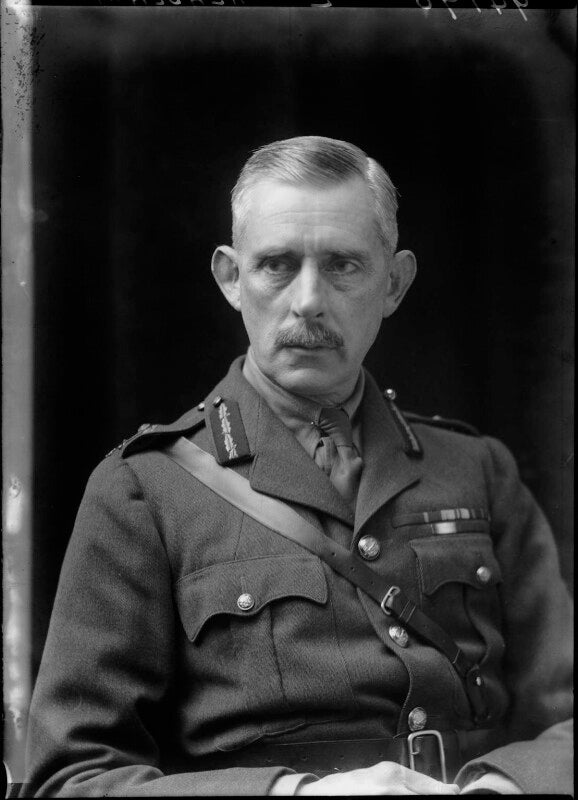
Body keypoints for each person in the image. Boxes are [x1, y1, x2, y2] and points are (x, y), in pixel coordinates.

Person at [23, 136, 572, 796]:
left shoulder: (477, 471)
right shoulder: (145, 489)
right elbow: (71, 778)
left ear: (394, 283)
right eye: (277, 265)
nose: (308, 300)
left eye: (343, 266)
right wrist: (294, 795)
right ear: (232, 278)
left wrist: (504, 788)